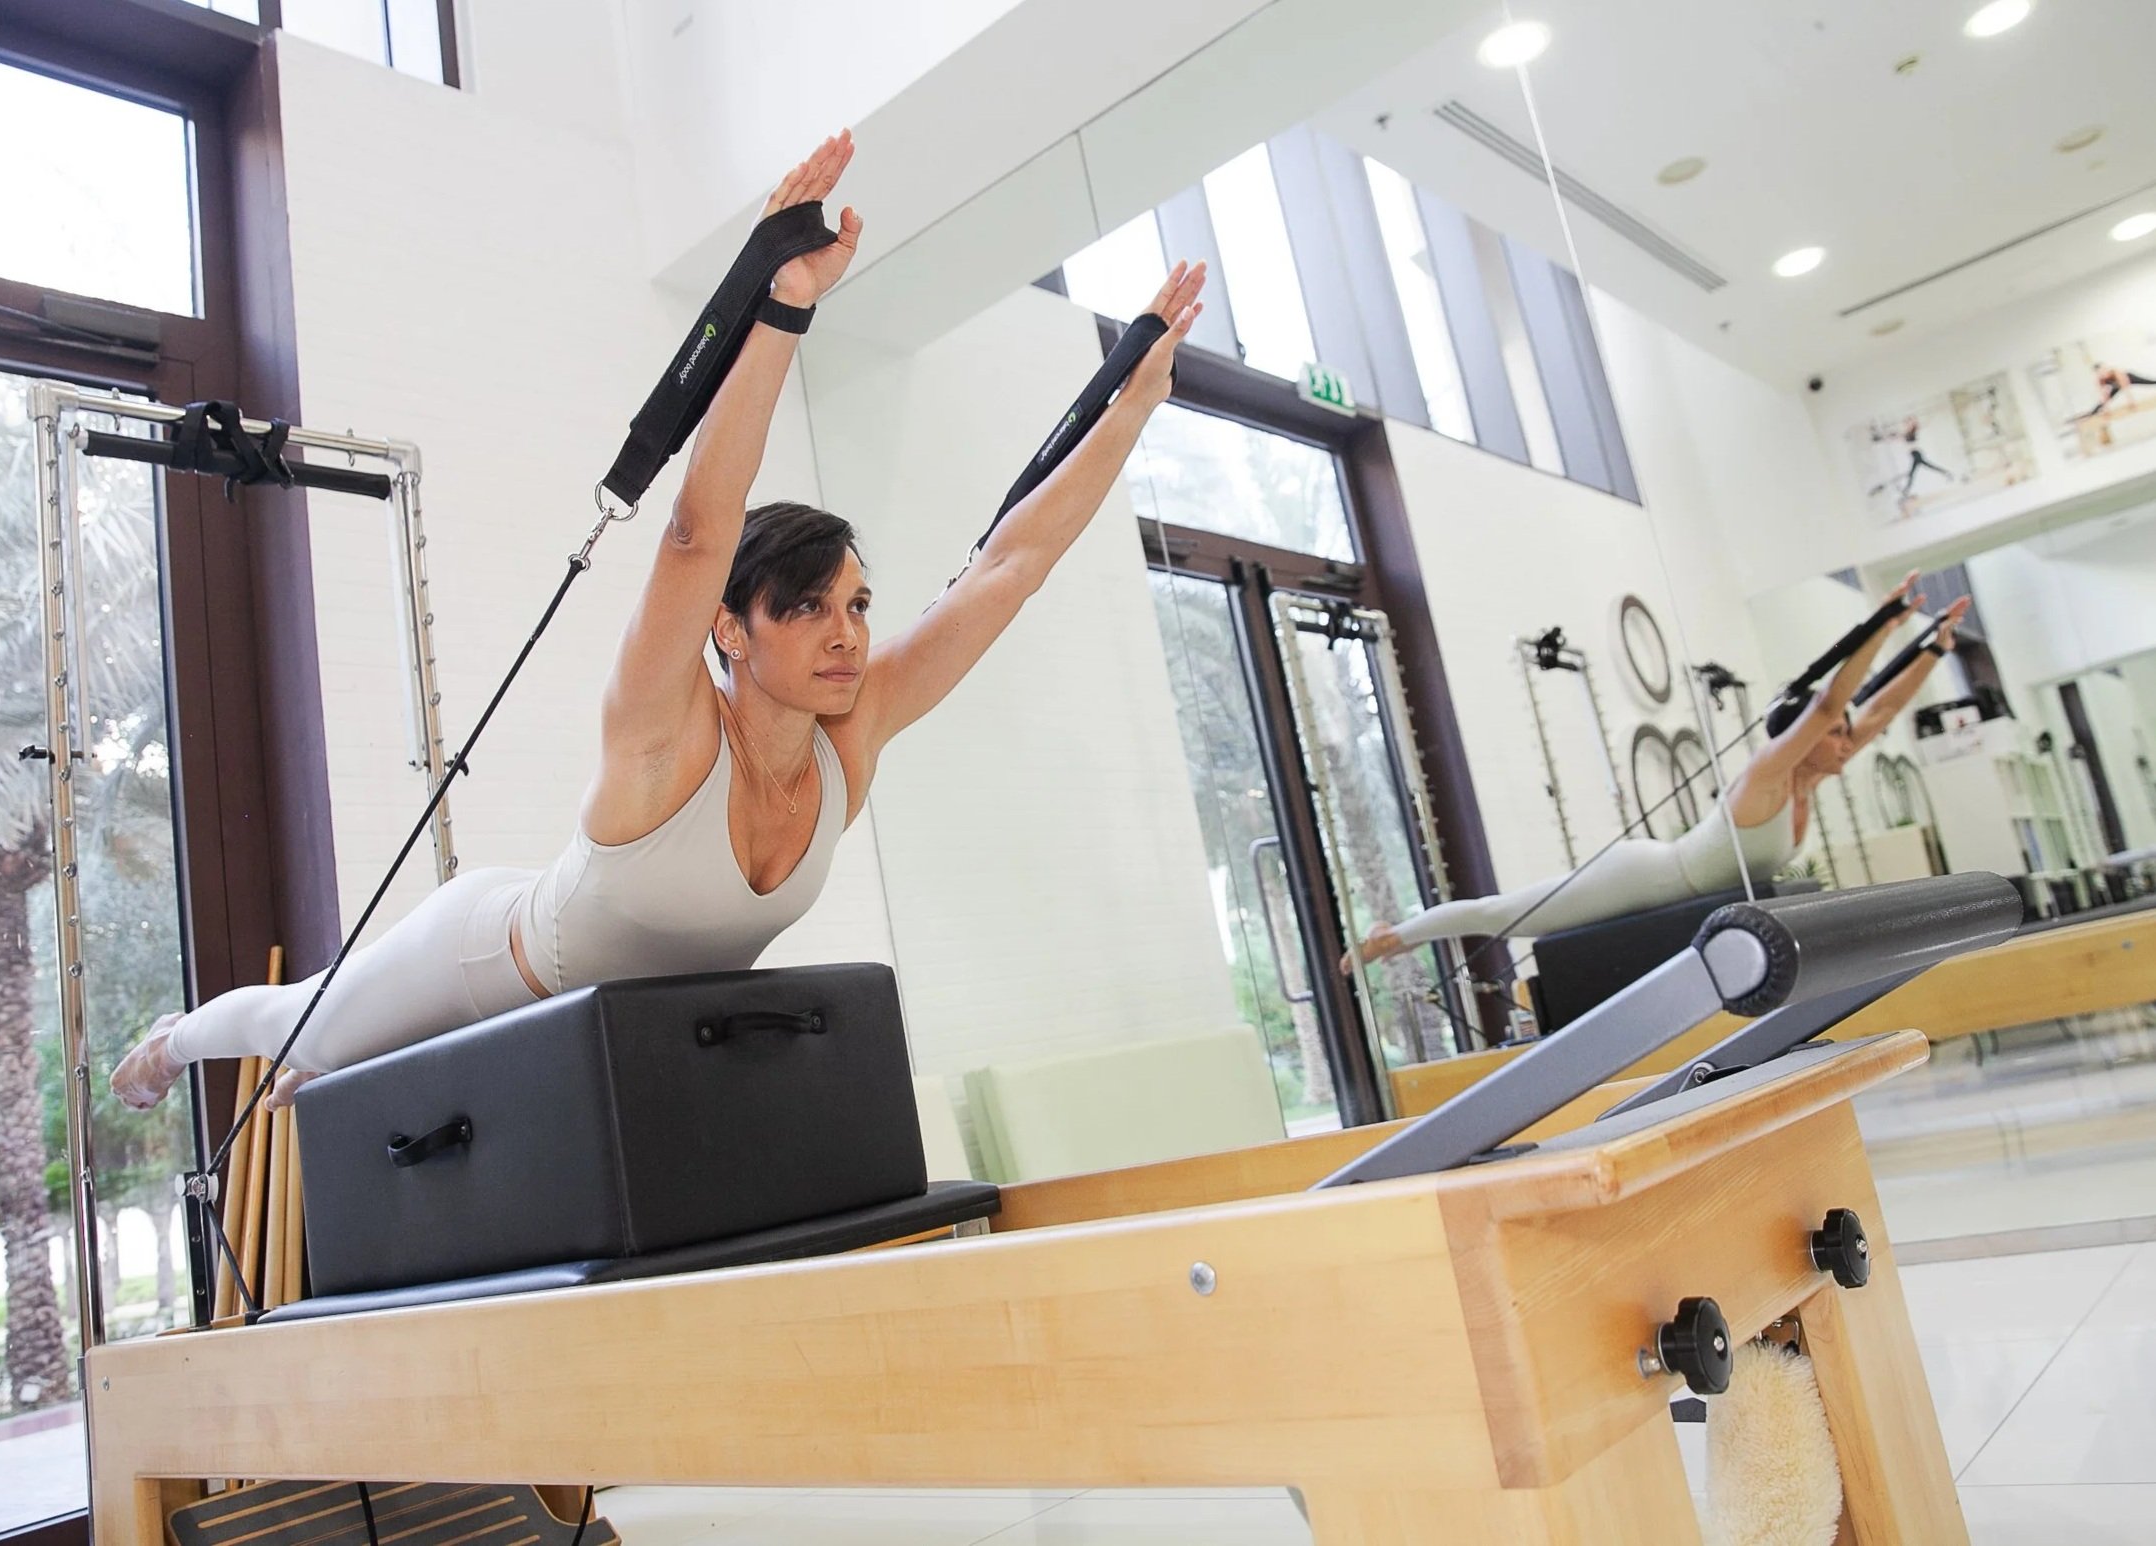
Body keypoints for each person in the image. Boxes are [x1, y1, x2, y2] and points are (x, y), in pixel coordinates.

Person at [113, 131, 1207, 1110]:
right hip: (484, 956)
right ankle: (171, 1040)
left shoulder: (849, 734)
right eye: (805, 607)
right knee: (300, 1022)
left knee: (332, 1052)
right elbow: (696, 530)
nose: (846, 635)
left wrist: (1134, 406)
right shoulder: (664, 729)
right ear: (730, 629)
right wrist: (780, 306)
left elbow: (1007, 567)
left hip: (613, 1031)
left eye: (857, 606)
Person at [1349, 578, 1971, 963]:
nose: (1848, 742)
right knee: (1506, 914)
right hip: (1642, 877)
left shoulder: (1807, 778)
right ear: (1800, 741)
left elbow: (1879, 708)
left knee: (1505, 913)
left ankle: (1395, 934)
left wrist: (1934, 646)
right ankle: (1393, 937)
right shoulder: (1765, 779)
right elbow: (1829, 704)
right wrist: (1880, 625)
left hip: (1677, 880)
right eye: (1835, 735)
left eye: (1846, 737)